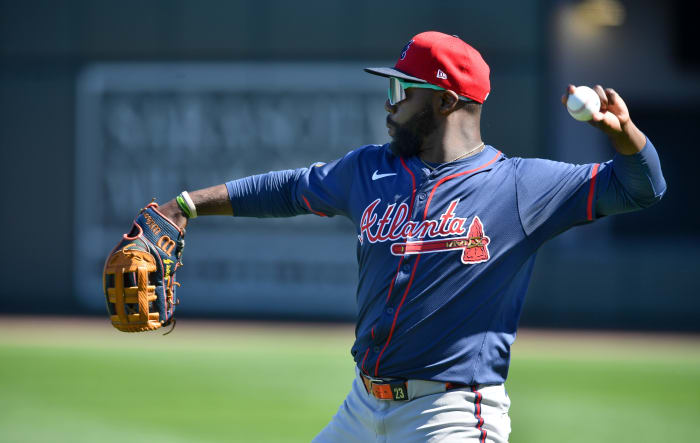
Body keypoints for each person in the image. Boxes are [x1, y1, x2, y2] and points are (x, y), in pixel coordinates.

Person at [157, 31, 666, 442]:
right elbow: (285, 189)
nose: (388, 103)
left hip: (452, 416)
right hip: (361, 408)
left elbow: (640, 188)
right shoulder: (368, 169)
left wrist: (626, 137)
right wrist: (186, 206)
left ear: (445, 102)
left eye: (401, 90)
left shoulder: (519, 187)